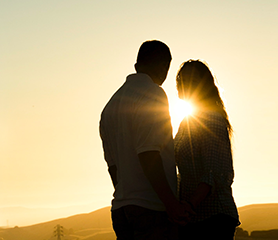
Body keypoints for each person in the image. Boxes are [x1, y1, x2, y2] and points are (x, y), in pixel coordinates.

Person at [100, 40, 193, 240]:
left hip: (121, 210)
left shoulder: (110, 107)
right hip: (151, 210)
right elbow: (149, 154)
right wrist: (171, 204)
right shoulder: (153, 94)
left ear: (137, 65)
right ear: (164, 66)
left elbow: (113, 167)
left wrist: (129, 194)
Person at [172, 60, 240, 239]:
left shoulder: (211, 121)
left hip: (213, 217)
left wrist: (189, 206)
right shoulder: (186, 122)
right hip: (193, 217)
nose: (178, 89)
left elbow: (212, 173)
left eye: (181, 82)